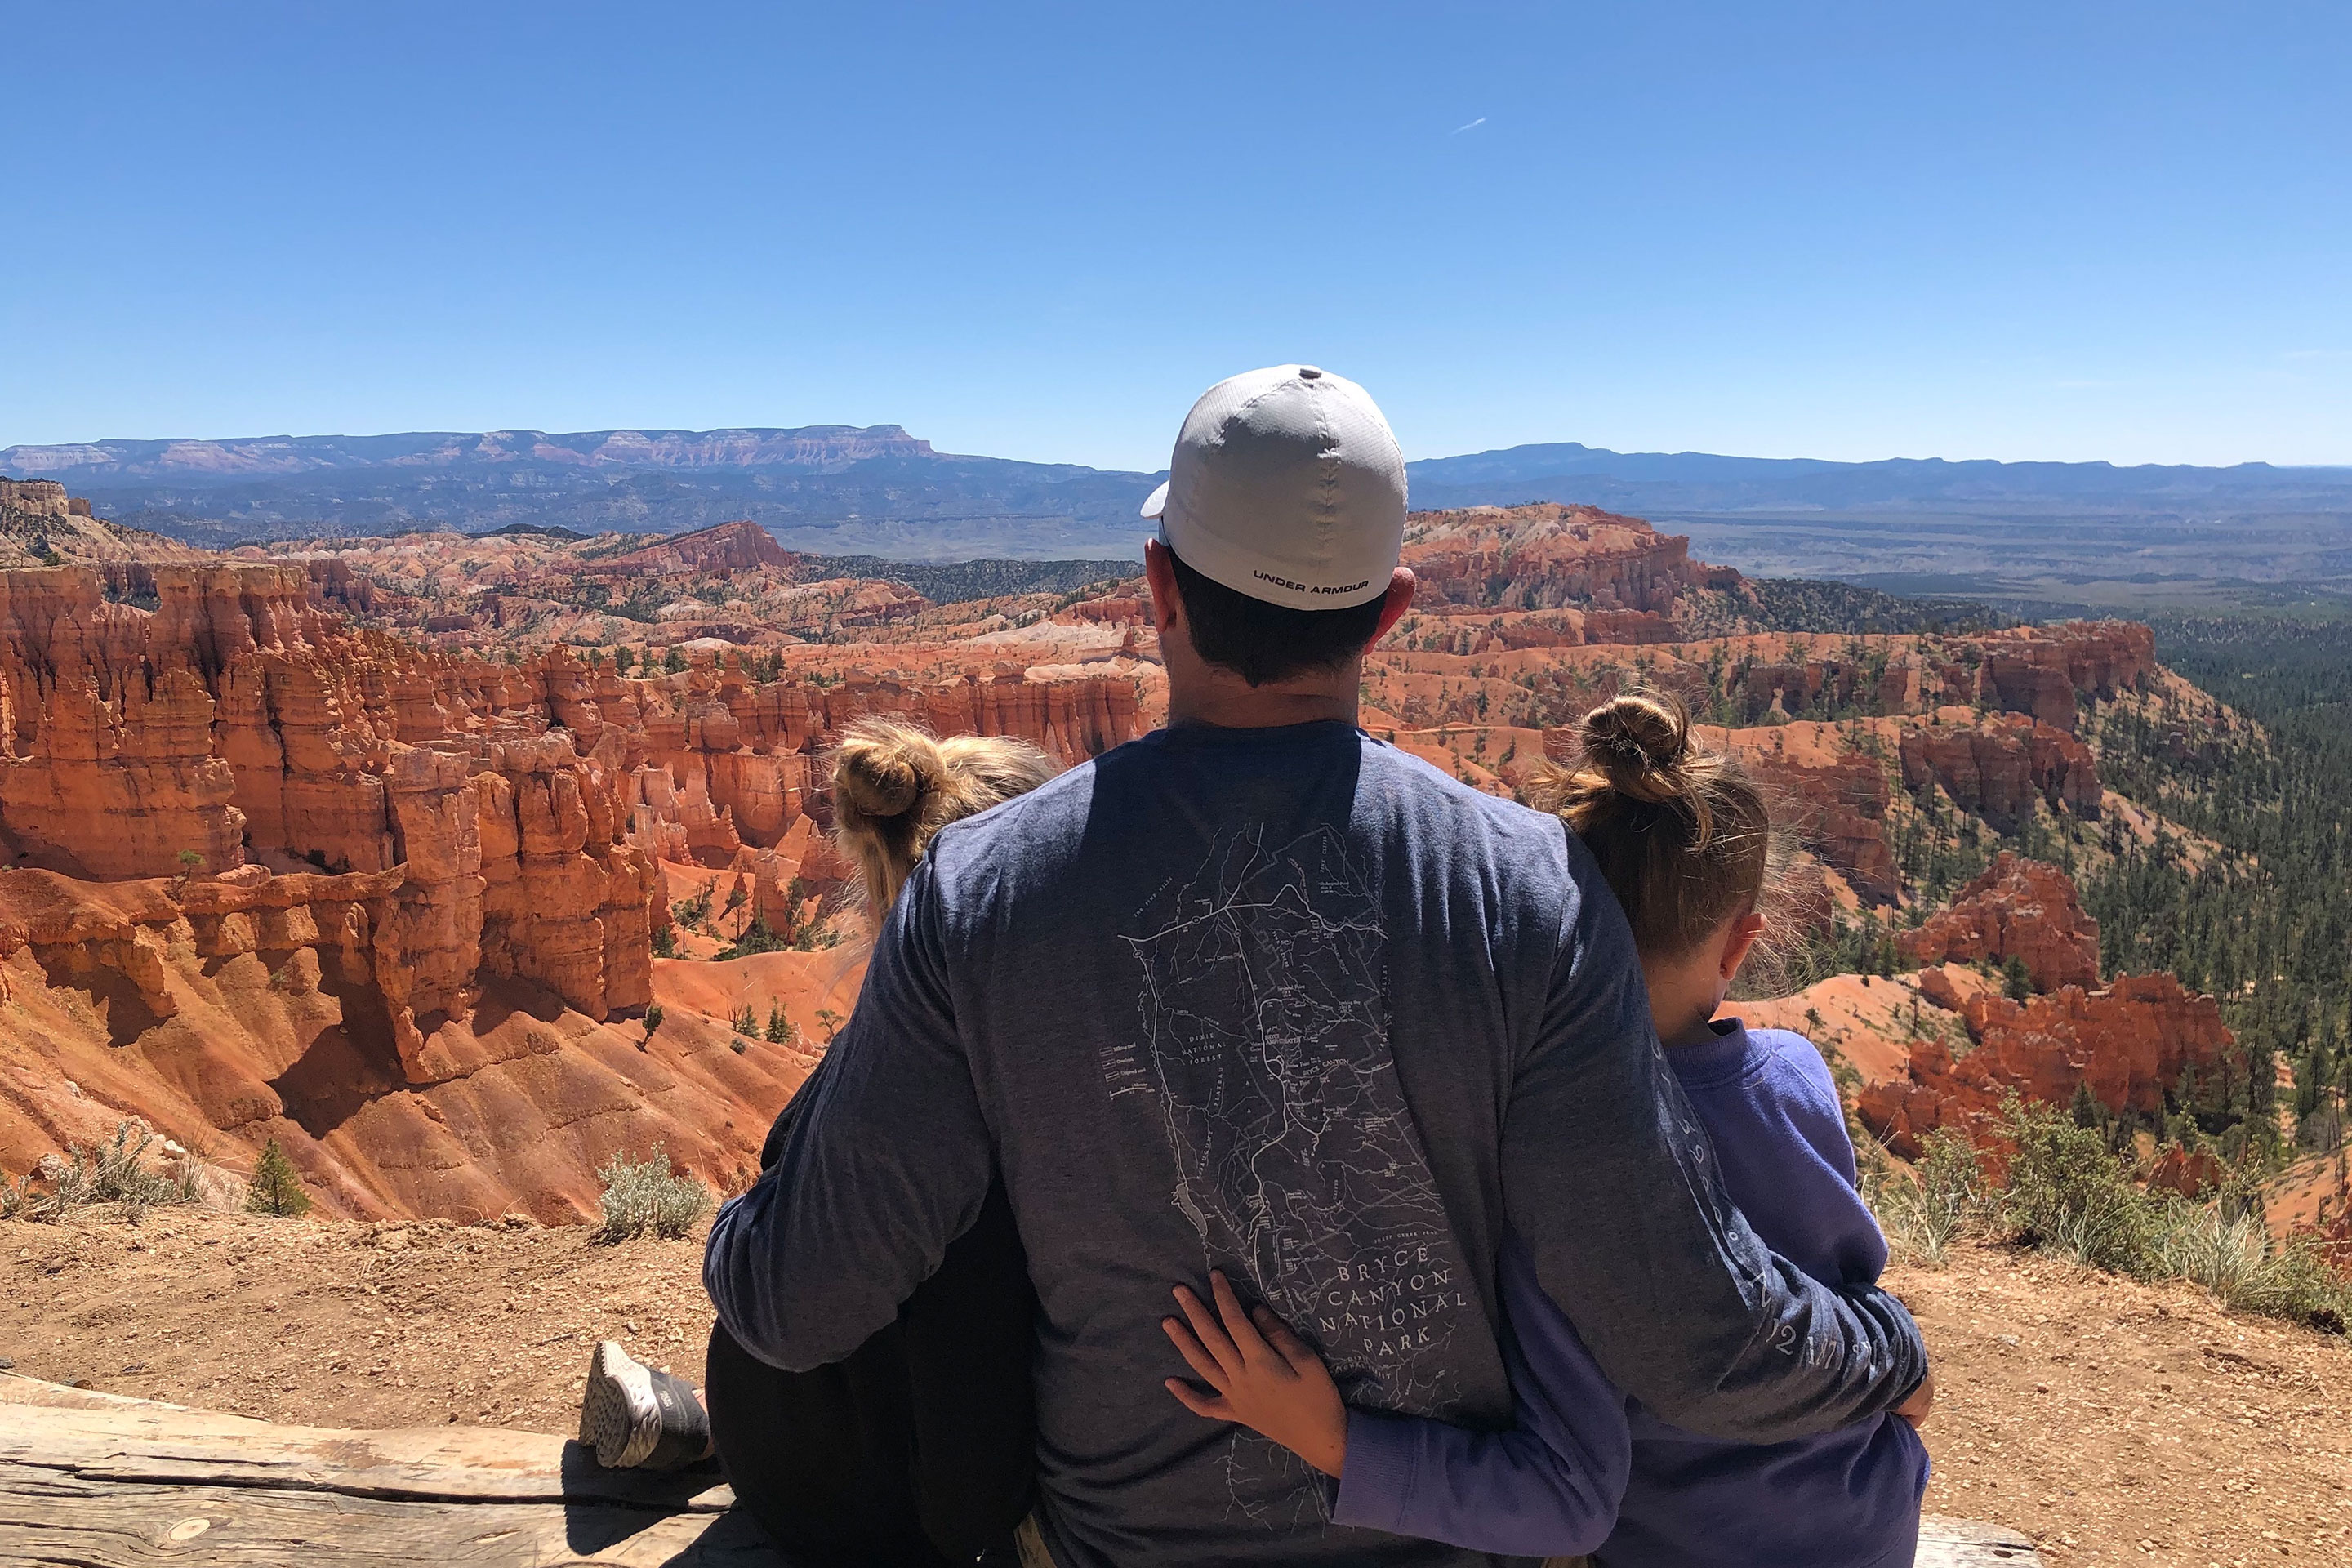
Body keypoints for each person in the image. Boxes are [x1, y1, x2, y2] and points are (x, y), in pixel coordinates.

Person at [705, 365, 1931, 1568]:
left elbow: (795, 1305)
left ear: (1158, 589)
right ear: (1392, 611)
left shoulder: (978, 889)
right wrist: (1889, 1354)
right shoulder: (1532, 895)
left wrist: (733, 1230)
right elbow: (1690, 1340)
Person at [1157, 691, 1932, 1566]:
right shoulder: (1797, 1075)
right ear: (1739, 943)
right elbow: (1845, 1275)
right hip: (1871, 1516)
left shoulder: (1556, 1147)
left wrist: (1341, 1443)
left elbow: (1569, 1500)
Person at [584, 719, 1058, 1567]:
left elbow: (783, 1306)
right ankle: (695, 1427)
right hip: (957, 1486)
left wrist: (741, 1217)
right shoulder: (1075, 1057)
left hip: (849, 1475)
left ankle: (694, 1427)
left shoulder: (892, 1072)